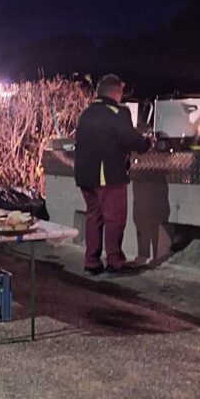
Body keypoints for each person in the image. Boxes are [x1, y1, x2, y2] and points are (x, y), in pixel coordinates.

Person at [73, 73, 152, 276]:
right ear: (116, 92)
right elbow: (131, 140)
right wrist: (146, 143)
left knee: (94, 217)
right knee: (115, 219)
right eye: (121, 92)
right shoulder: (117, 112)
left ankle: (91, 263)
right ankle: (114, 263)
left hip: (85, 176)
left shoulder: (86, 113)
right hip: (107, 176)